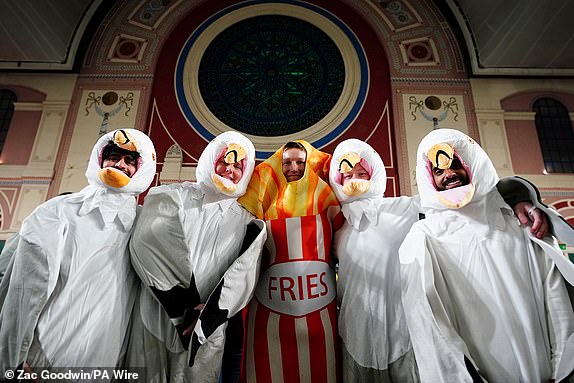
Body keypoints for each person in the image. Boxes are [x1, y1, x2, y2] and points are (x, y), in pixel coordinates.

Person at [399, 128, 574, 382]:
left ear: (473, 162)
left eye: (456, 164)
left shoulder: (519, 222)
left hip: (542, 372)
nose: (449, 175)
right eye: (438, 171)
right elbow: (431, 324)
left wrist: (563, 368)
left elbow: (555, 295)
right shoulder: (424, 237)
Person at [0, 128, 156, 374]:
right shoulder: (59, 210)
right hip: (43, 355)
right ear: (100, 158)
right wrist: (16, 357)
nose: (120, 165)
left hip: (104, 356)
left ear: (142, 169)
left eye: (130, 161)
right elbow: (23, 290)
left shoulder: (143, 223)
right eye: (113, 156)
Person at [127, 131, 266, 382]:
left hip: (206, 325)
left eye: (237, 166)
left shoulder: (248, 221)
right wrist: (183, 307)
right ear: (210, 160)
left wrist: (210, 312)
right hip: (156, 313)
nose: (229, 170)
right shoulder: (170, 195)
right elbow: (148, 244)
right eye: (224, 162)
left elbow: (244, 275)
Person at [238, 141, 342, 383]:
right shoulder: (260, 200)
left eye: (300, 162)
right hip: (266, 319)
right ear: (278, 164)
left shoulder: (329, 201)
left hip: (321, 319)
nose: (294, 167)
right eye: (287, 162)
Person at [329, 139, 420, 382]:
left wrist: (518, 195)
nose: (355, 179)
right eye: (348, 174)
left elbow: (448, 202)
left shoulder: (401, 209)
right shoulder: (335, 227)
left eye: (361, 173)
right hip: (353, 335)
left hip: (402, 334)